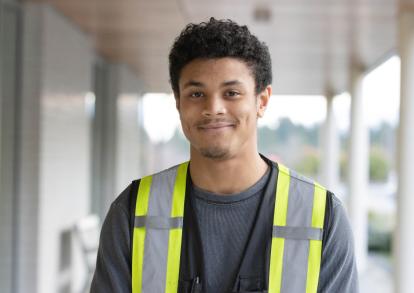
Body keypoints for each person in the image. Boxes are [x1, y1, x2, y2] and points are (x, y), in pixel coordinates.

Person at [91, 17, 358, 293]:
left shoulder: (321, 217)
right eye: (196, 94)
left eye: (231, 93)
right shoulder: (133, 212)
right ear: (178, 102)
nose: (213, 108)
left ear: (262, 101)